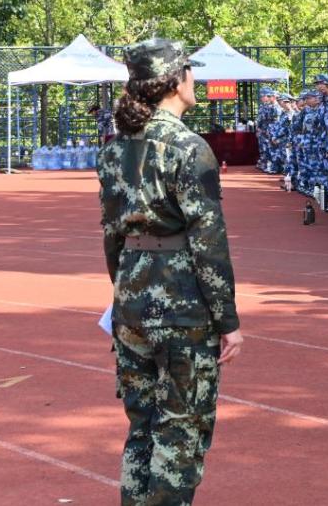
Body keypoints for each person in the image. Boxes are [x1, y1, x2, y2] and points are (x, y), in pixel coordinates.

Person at [98, 38, 242, 505]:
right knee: (181, 431)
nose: (194, 79)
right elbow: (208, 242)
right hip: (182, 308)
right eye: (189, 71)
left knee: (142, 428)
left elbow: (111, 235)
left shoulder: (115, 149)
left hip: (131, 303)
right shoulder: (189, 148)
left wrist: (123, 292)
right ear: (175, 81)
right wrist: (228, 320)